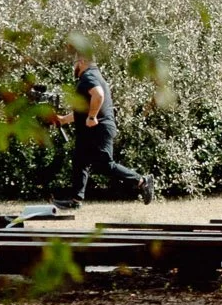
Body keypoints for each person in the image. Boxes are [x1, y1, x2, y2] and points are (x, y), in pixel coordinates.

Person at [46, 56, 155, 206]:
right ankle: (76, 200)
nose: (74, 67)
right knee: (80, 160)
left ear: (83, 61)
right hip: (96, 128)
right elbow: (85, 110)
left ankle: (142, 181)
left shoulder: (89, 75)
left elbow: (98, 95)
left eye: (75, 63)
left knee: (104, 165)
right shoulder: (93, 76)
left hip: (99, 128)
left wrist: (92, 117)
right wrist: (64, 120)